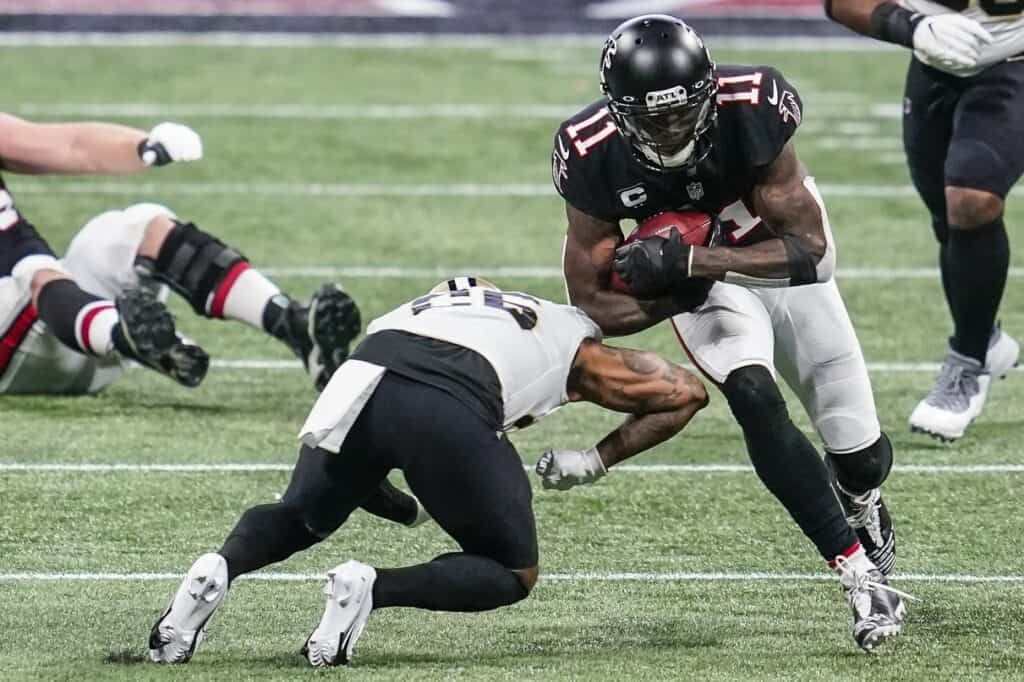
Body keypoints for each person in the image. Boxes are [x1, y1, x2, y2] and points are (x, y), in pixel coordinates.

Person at [554, 15, 906, 650]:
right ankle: (856, 570)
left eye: (682, 112)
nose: (670, 128)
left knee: (861, 456)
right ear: (619, 113)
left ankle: (861, 498)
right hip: (707, 290)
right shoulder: (591, 152)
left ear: (710, 93)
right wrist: (683, 290)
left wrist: (692, 260)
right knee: (752, 394)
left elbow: (813, 253)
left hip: (775, 265)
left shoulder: (753, 107)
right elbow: (592, 304)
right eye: (651, 118)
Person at [148, 277, 708, 667]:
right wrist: (593, 459)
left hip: (364, 370)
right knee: (512, 571)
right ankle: (370, 589)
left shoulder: (467, 297)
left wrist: (411, 509)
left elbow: (369, 470)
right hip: (449, 394)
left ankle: (220, 566)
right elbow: (686, 393)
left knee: (301, 515)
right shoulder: (578, 346)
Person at [0, 113, 359, 394]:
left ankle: (292, 326)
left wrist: (144, 146)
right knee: (34, 271)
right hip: (15, 350)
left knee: (131, 225)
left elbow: (71, 144)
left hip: (70, 332)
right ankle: (130, 336)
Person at [824, 1, 1022, 441]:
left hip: (1016, 57)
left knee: (970, 199)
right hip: (935, 59)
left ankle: (967, 364)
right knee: (950, 222)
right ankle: (984, 336)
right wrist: (913, 26)